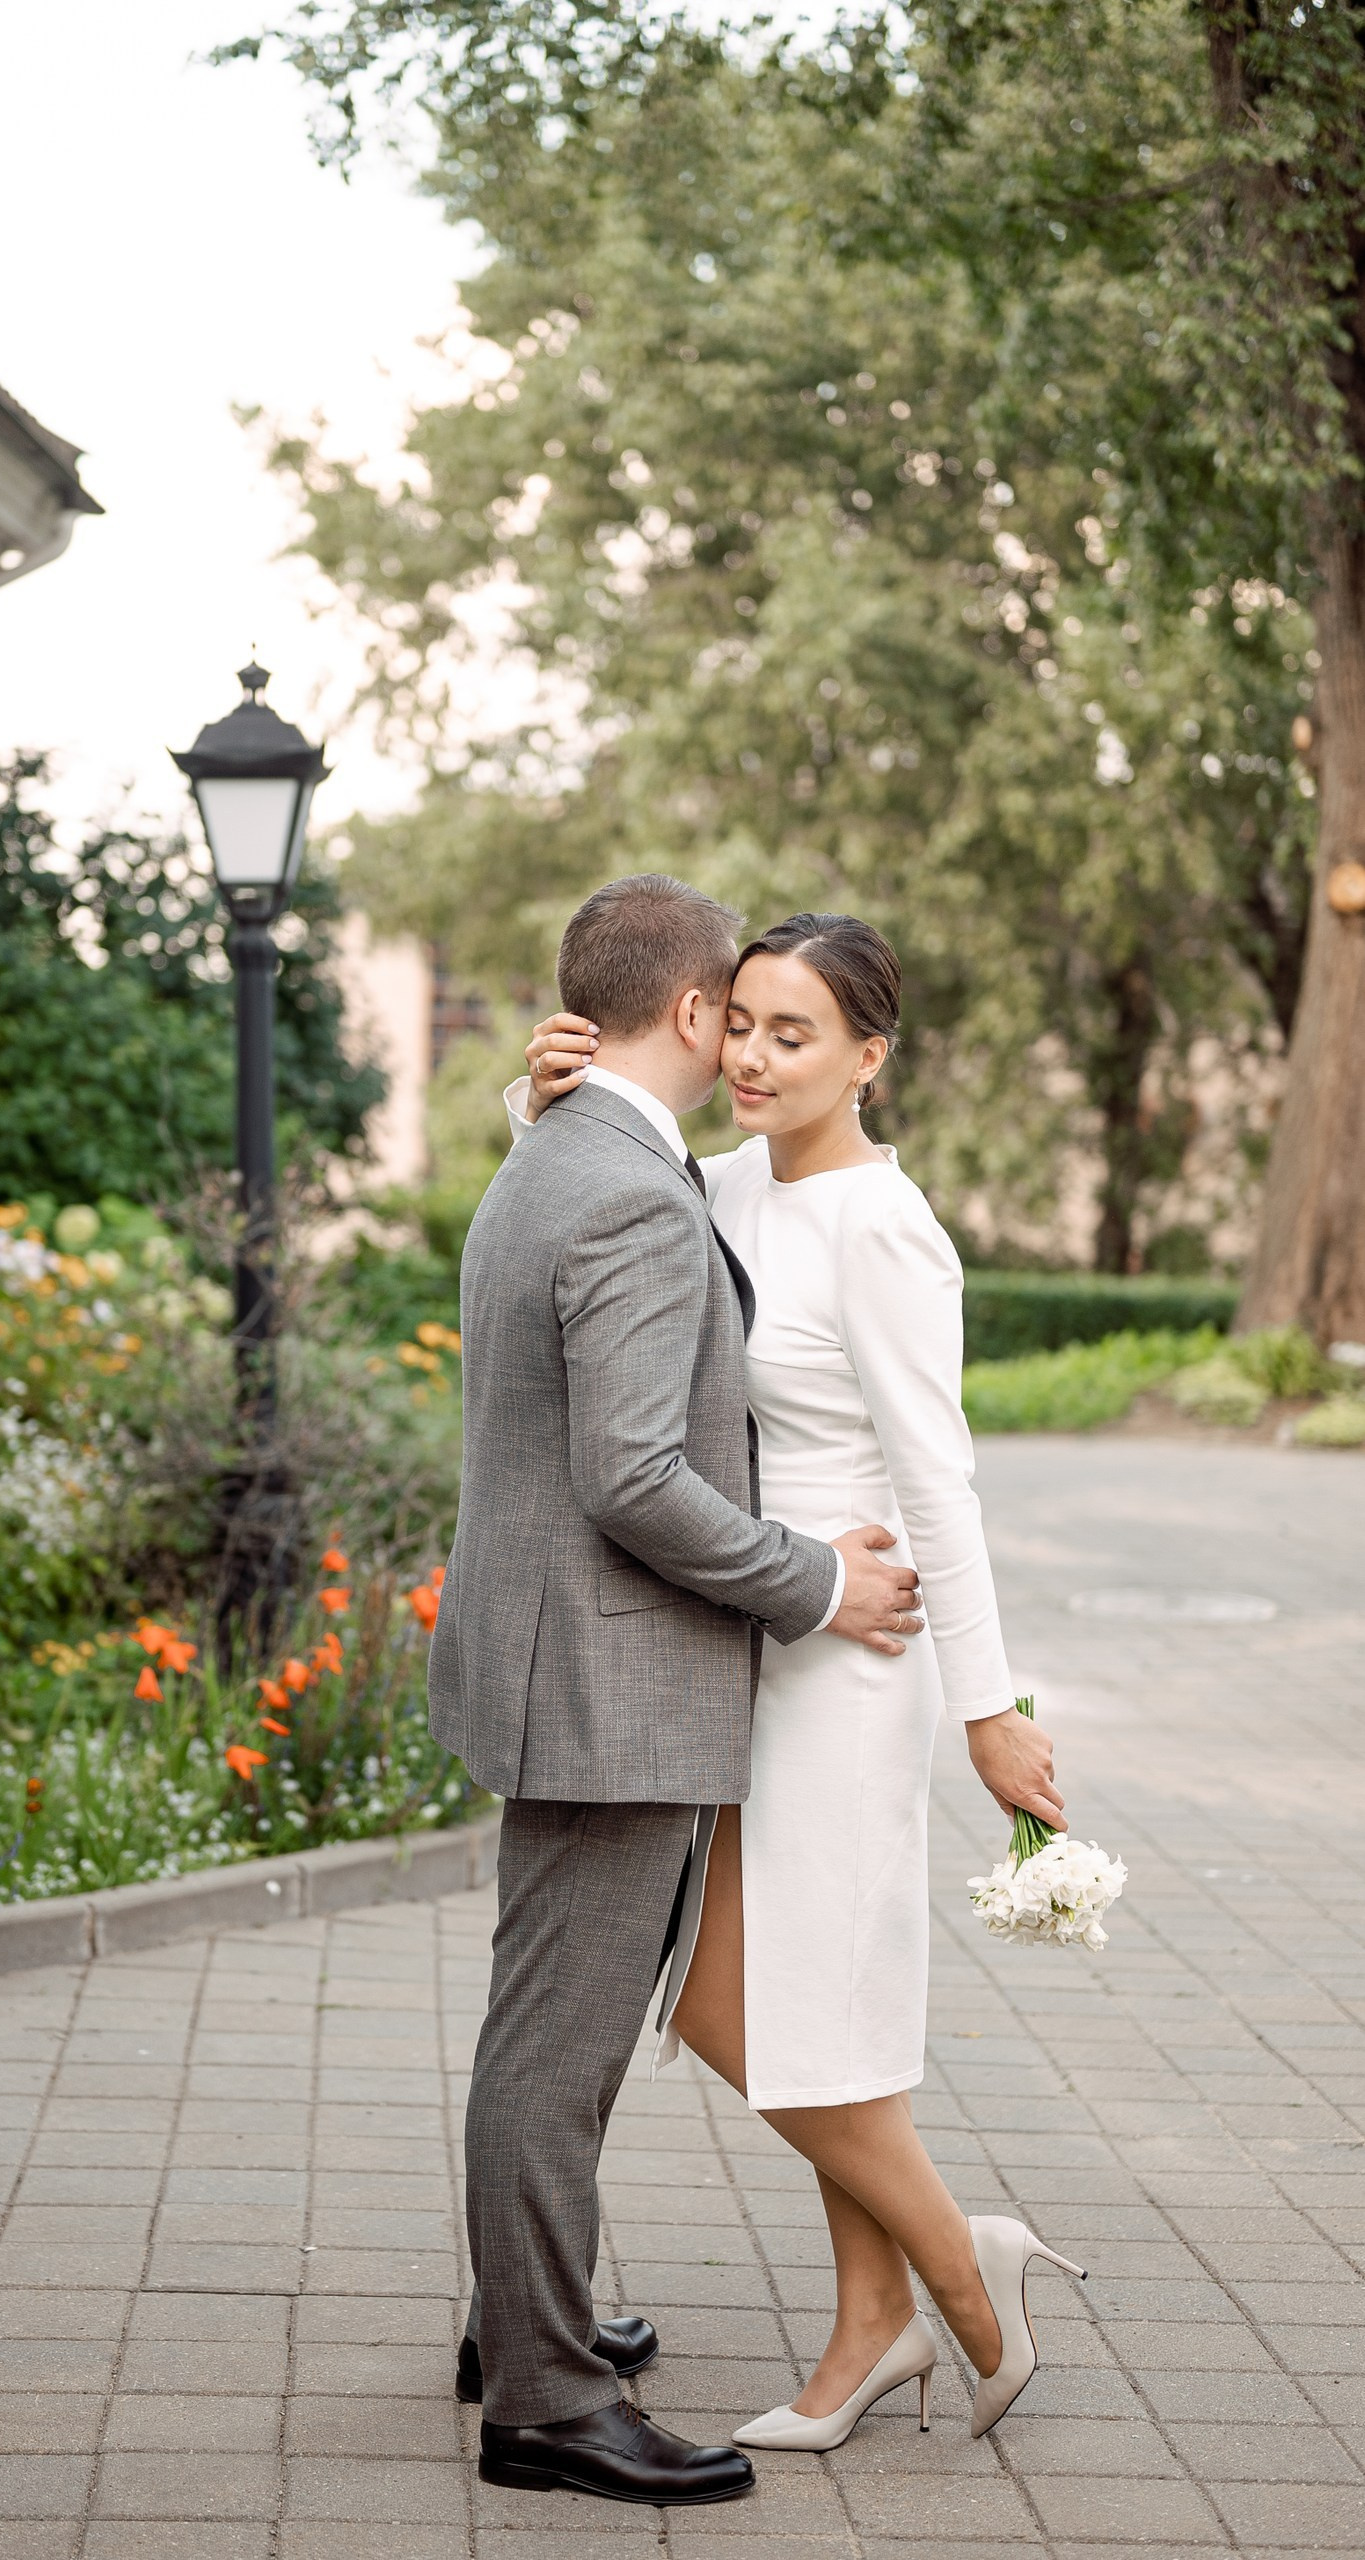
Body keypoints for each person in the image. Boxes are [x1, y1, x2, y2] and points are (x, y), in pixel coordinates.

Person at [513, 906, 1083, 2453]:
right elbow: (609, 1216)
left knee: (779, 2008)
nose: (754, 1058)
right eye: (742, 1024)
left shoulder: (884, 1230)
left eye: (795, 1035)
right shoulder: (720, 1180)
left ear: (869, 1059)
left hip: (849, 1657)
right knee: (737, 2005)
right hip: (744, 1635)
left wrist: (991, 1707)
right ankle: (886, 2313)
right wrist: (545, 1098)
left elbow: (940, 1484)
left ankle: (950, 2281)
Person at [431, 875, 928, 2507]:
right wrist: (818, 1580)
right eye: (739, 1013)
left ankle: (521, 2324)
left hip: (550, 1663)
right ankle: (546, 2404)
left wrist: (533, 1087)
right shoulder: (633, 1189)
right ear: (695, 1012)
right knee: (554, 2050)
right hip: (605, 1681)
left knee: (540, 2025)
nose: (748, 1048)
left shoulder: (555, 1147)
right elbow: (635, 1475)